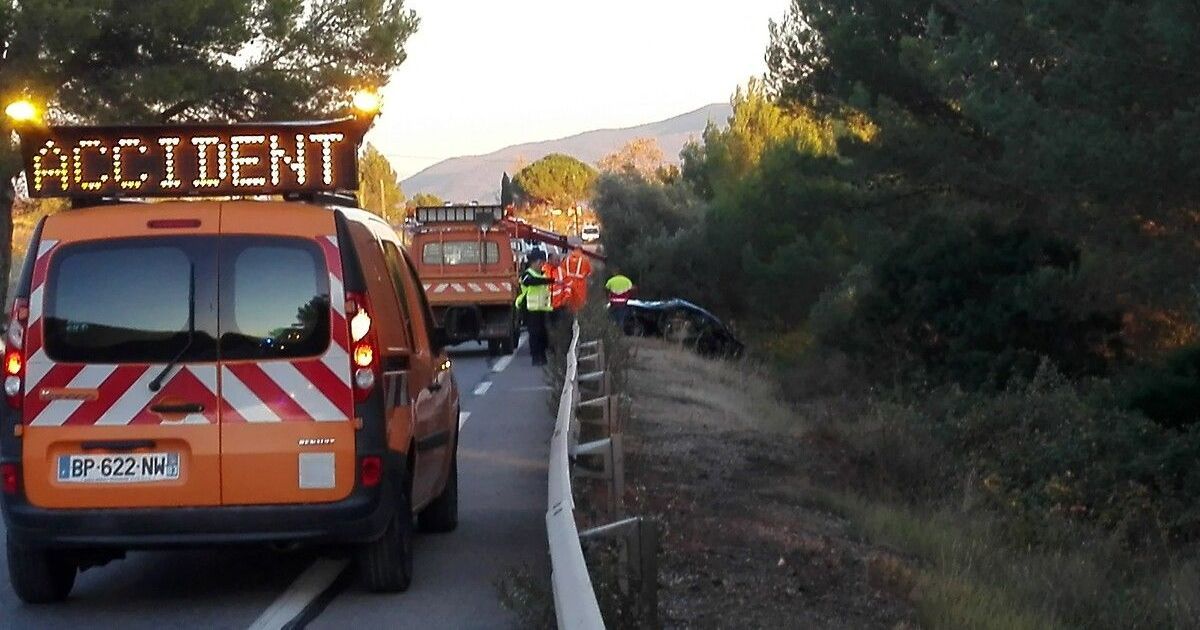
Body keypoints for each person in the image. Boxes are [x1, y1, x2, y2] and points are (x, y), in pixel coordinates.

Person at [515, 249, 553, 365]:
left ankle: (543, 356)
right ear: (533, 262)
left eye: (543, 262)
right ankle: (536, 358)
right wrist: (550, 280)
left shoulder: (543, 274)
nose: (541, 265)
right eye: (540, 262)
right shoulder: (527, 275)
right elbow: (532, 282)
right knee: (535, 334)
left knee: (543, 334)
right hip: (530, 309)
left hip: (542, 309)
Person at [561, 246, 592, 312]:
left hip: (568, 283)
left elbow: (561, 271)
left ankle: (568, 315)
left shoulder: (567, 259)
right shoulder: (585, 259)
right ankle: (577, 316)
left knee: (569, 302)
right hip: (580, 285)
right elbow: (589, 272)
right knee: (579, 304)